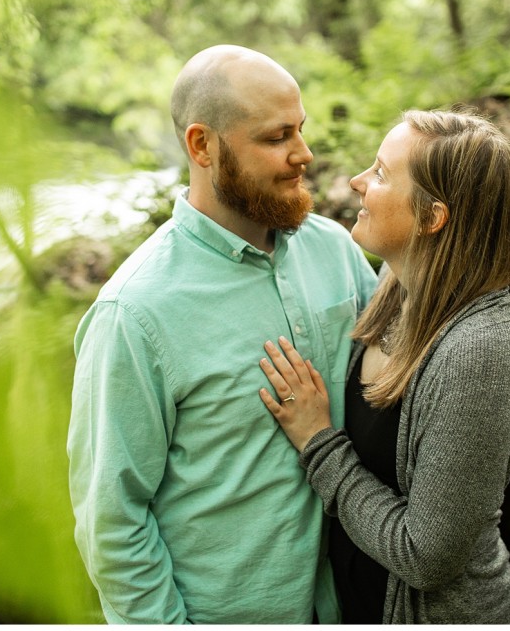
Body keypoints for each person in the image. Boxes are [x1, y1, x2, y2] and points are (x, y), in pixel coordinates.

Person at [67, 45, 379, 624]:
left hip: (351, 606)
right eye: (276, 136)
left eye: (301, 130)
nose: (303, 153)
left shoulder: (335, 251)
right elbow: (112, 518)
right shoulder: (134, 312)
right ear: (202, 145)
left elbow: (402, 371)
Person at [258, 108, 510, 624]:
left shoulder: (481, 348)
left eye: (381, 174)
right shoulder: (394, 284)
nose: (357, 182)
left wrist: (319, 444)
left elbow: (425, 556)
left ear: (433, 218)